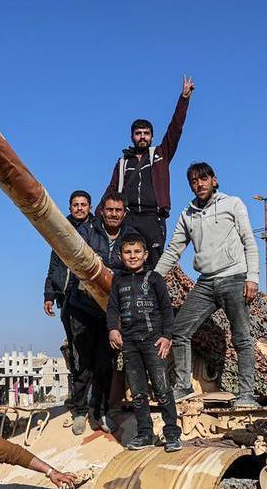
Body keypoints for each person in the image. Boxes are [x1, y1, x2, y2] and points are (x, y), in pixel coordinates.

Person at [155, 162, 260, 407]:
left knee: (242, 338)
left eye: (203, 179)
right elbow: (173, 251)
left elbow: (249, 241)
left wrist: (252, 277)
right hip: (205, 283)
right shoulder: (187, 215)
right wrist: (152, 278)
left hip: (234, 278)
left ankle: (246, 395)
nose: (199, 184)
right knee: (179, 330)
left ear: (214, 180)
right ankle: (183, 387)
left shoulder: (232, 204)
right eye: (193, 181)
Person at [101, 76, 195, 264]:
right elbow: (111, 191)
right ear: (132, 136)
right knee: (128, 260)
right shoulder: (123, 163)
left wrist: (184, 99)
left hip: (153, 218)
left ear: (152, 137)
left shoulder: (160, 155)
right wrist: (95, 218)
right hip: (129, 218)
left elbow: (175, 129)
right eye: (138, 133)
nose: (142, 136)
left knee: (153, 264)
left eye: (146, 133)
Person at [64, 192, 136, 434]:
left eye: (118, 210)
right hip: (82, 307)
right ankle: (80, 411)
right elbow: (73, 254)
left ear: (123, 213)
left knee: (105, 363)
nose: (114, 214)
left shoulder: (130, 236)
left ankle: (101, 411)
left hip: (111, 311)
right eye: (110, 210)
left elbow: (133, 266)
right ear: (102, 211)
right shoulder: (88, 231)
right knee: (82, 362)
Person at [107, 232, 182, 452]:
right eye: (128, 252)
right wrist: (113, 329)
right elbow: (113, 308)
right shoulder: (118, 281)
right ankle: (145, 434)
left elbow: (167, 310)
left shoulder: (155, 278)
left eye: (137, 251)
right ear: (121, 255)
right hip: (130, 343)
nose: (132, 256)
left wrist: (167, 336)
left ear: (146, 254)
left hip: (153, 342)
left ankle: (171, 434)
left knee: (162, 389)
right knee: (138, 393)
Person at [42, 190, 92, 406]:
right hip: (67, 296)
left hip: (90, 296)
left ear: (89, 207)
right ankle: (80, 397)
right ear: (70, 207)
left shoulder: (95, 228)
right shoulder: (61, 229)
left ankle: (94, 396)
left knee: (92, 346)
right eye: (75, 205)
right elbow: (55, 264)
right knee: (75, 348)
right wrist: (49, 294)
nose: (79, 208)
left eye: (83, 204)